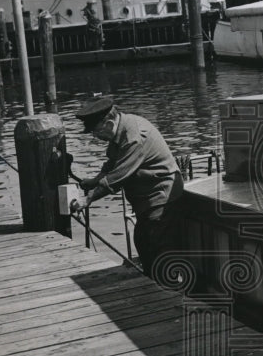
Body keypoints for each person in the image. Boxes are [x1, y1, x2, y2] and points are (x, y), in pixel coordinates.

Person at [71, 97, 183, 278]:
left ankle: (166, 295)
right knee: (143, 243)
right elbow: (113, 162)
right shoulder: (120, 130)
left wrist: (87, 199)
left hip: (160, 198)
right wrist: (94, 180)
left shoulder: (133, 136)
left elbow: (117, 176)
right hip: (145, 200)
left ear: (108, 123)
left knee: (158, 249)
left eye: (96, 131)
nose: (95, 137)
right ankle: (153, 288)